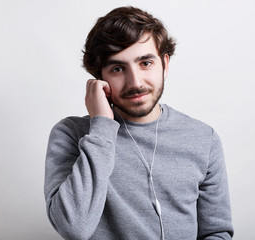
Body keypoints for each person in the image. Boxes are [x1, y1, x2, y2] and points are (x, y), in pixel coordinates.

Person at [44, 6, 234, 240]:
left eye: (145, 63)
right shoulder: (72, 134)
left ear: (164, 64)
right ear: (99, 80)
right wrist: (102, 125)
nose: (135, 82)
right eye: (117, 68)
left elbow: (216, 232)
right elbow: (74, 228)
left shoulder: (204, 138)